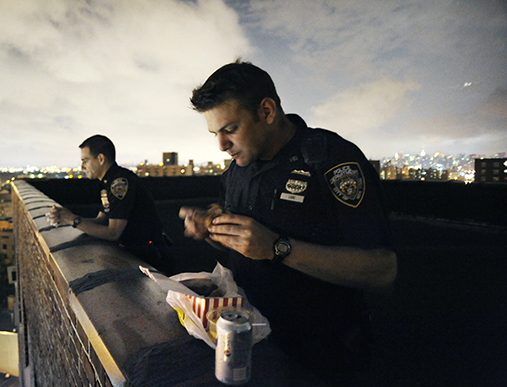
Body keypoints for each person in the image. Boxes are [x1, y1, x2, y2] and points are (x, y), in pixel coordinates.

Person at [179, 61, 397, 385]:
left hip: (321, 356)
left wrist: (278, 248)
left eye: (230, 129)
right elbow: (236, 229)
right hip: (249, 342)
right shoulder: (237, 169)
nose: (221, 145)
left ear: (267, 111)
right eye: (215, 133)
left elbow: (382, 270)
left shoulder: (331, 160)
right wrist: (209, 226)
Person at [47, 135, 166, 269]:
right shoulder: (107, 183)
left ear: (101, 159)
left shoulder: (120, 183)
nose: (82, 166)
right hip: (135, 254)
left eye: (86, 160)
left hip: (148, 256)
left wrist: (73, 220)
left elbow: (113, 233)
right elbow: (101, 220)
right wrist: (67, 218)